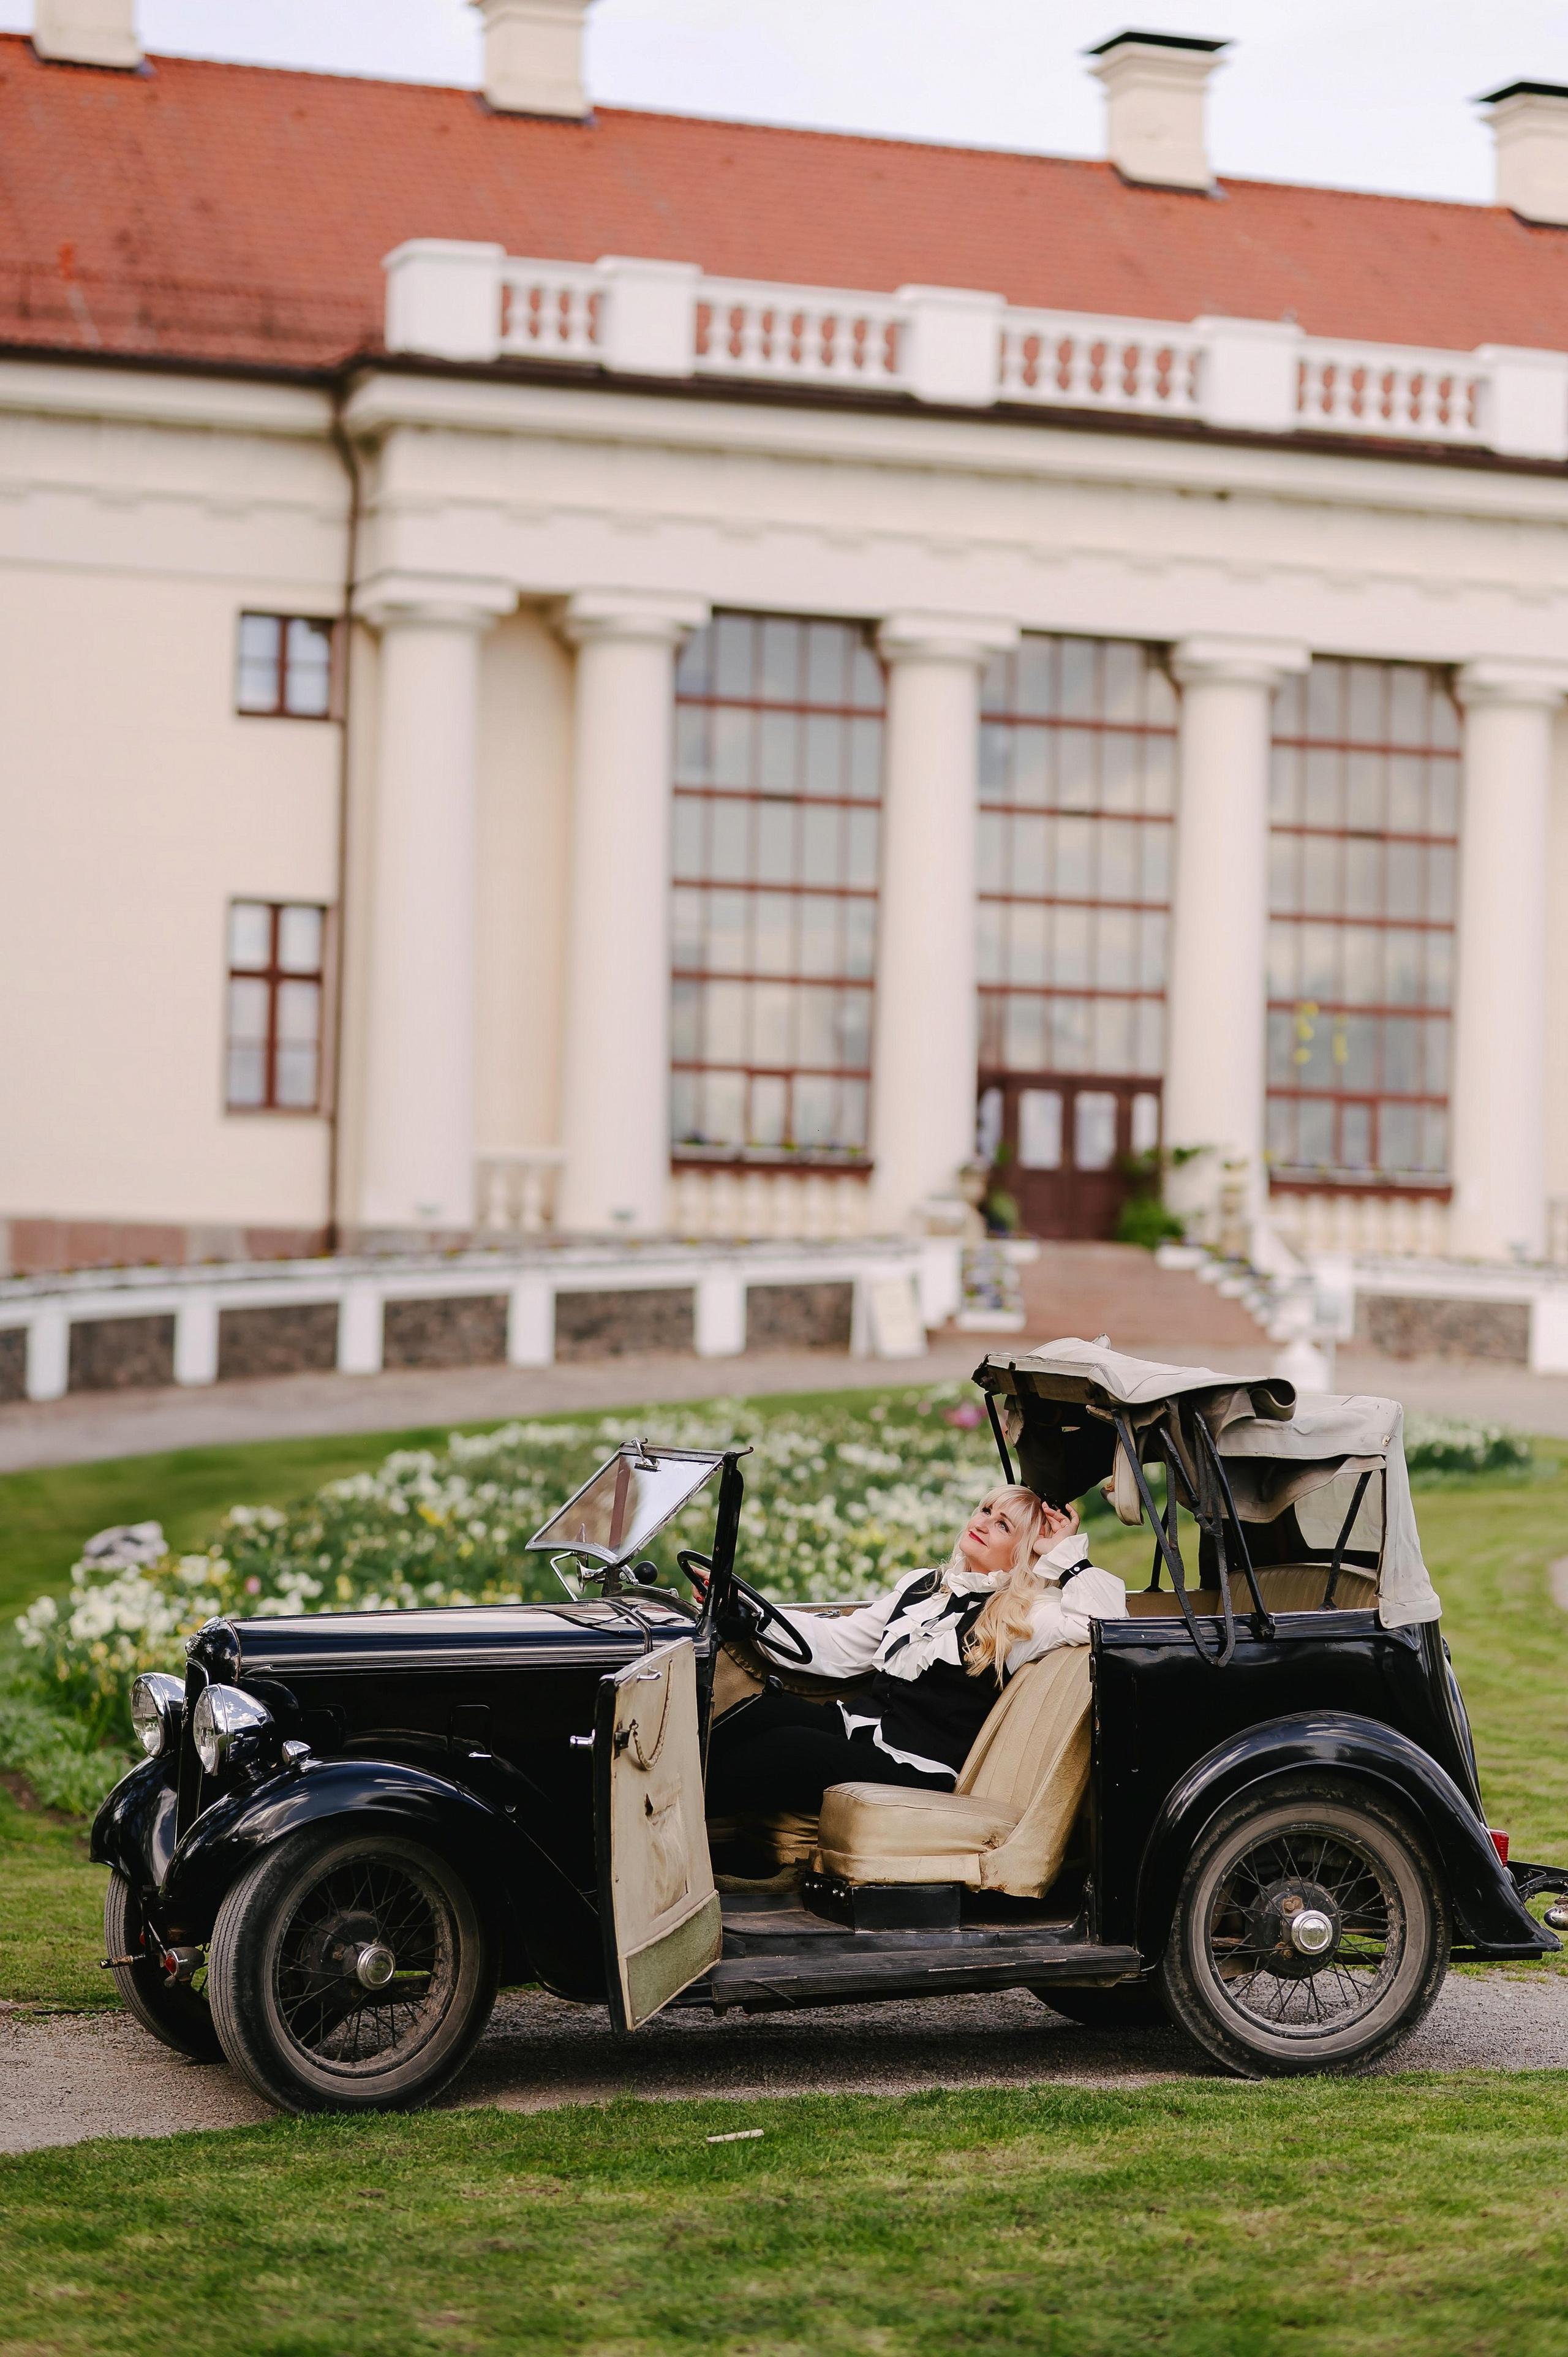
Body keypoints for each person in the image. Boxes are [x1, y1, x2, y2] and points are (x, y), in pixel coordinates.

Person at [707, 1482, 1127, 1819]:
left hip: (916, 1767)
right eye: (985, 1511)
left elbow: (1109, 1625)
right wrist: (749, 1613)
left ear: (1026, 1550)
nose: (984, 1523)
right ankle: (680, 1816)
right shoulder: (924, 1585)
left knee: (788, 1746)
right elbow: (840, 1643)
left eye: (1003, 1526)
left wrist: (1064, 1554)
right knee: (755, 1712)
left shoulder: (1025, 1614)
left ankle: (681, 1825)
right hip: (859, 1730)